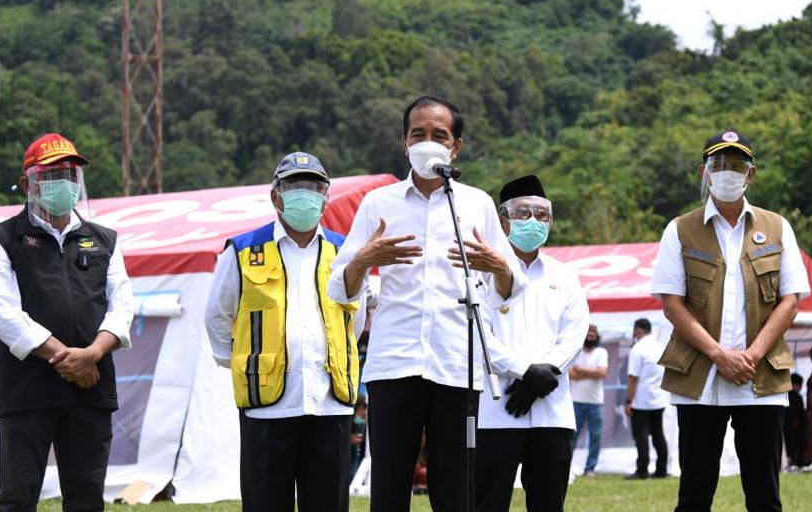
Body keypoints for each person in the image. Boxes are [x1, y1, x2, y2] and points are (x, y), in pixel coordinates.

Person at [327, 95, 559, 512]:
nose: (428, 142)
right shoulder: (379, 204)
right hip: (394, 361)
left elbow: (510, 289)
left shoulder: (475, 203)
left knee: (455, 487)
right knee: (390, 484)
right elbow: (340, 289)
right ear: (404, 142)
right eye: (419, 134)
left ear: (457, 146)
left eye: (440, 135)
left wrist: (497, 266)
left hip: (456, 361)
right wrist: (364, 260)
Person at [650, 130, 810, 512]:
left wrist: (750, 356)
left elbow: (790, 301)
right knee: (694, 495)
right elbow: (672, 304)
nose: (727, 172)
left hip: (762, 377)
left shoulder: (776, 227)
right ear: (704, 172)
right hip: (699, 377)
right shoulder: (679, 229)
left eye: (736, 165)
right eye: (718, 164)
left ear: (750, 175)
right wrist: (720, 355)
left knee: (764, 496)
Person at [0, 133, 135, 510]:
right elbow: (1, 313)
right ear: (29, 183)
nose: (62, 182)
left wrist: (93, 354)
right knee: (18, 497)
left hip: (91, 386)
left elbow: (122, 305)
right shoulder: (1, 240)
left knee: (86, 497)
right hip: (26, 387)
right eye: (51, 175)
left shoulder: (104, 240)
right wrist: (68, 359)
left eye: (69, 172)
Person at [204, 152, 361, 512]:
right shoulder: (244, 250)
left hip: (330, 402)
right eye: (293, 185)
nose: (303, 194)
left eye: (313, 186)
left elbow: (357, 316)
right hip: (267, 408)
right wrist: (244, 363)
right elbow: (217, 316)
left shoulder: (344, 250)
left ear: (326, 196)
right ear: (275, 195)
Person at [475, 175, 590, 512]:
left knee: (548, 504)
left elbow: (575, 333)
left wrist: (542, 378)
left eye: (542, 214)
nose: (533, 221)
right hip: (496, 410)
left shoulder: (564, 275)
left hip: (552, 411)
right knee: (487, 503)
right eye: (523, 212)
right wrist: (525, 373)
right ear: (502, 219)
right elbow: (480, 337)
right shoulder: (482, 271)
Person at [624, 318, 669, 479]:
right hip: (659, 398)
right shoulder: (660, 347)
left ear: (638, 331)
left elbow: (633, 377)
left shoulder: (638, 349)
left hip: (641, 400)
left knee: (641, 436)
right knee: (658, 435)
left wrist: (628, 400)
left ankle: (642, 469)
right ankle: (661, 469)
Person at [570, 324, 608, 476]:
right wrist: (591, 373)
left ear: (596, 337)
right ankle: (567, 467)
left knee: (595, 437)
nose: (590, 338)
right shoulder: (576, 352)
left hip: (596, 403)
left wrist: (581, 371)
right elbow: (569, 375)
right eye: (588, 335)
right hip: (576, 401)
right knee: (571, 437)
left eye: (593, 336)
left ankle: (590, 468)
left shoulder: (601, 352)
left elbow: (602, 373)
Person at [783, 373, 808, 470]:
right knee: (793, 443)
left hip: (789, 424)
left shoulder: (787, 396)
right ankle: (793, 460)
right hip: (792, 425)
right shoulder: (796, 397)